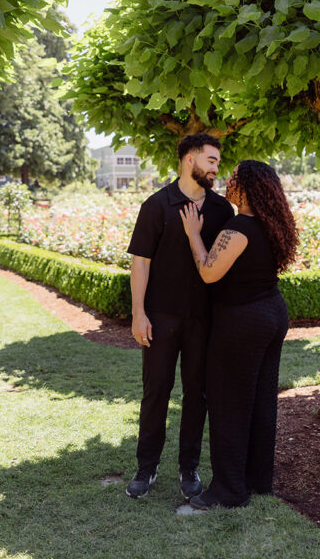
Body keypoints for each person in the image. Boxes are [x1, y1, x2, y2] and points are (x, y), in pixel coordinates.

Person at [179, 160, 298, 509]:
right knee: (261, 400)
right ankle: (257, 481)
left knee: (228, 402)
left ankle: (229, 491)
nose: (228, 181)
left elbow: (208, 273)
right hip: (272, 314)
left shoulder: (238, 228)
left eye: (235, 178)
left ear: (246, 187)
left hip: (243, 322)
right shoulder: (271, 224)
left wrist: (192, 234)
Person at [126, 133, 234, 500]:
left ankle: (189, 468)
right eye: (211, 160)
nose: (216, 167)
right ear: (190, 160)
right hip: (160, 316)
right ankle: (146, 467)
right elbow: (141, 262)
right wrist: (138, 313)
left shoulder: (221, 211)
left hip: (203, 319)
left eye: (217, 161)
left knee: (196, 393)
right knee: (156, 390)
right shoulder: (156, 205)